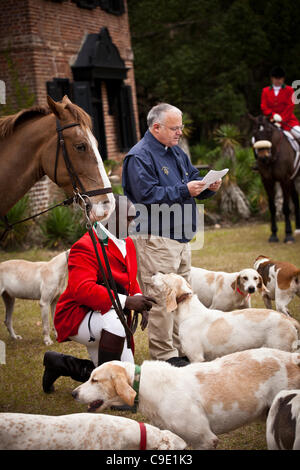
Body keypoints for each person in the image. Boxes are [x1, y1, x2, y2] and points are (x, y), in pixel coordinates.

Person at [122, 103, 222, 365]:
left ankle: (181, 351)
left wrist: (209, 186)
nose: (180, 132)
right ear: (156, 127)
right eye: (175, 128)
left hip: (181, 238)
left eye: (181, 127)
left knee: (181, 299)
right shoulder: (139, 157)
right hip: (156, 239)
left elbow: (192, 182)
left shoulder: (176, 152)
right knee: (160, 303)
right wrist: (183, 190)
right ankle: (165, 358)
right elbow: (146, 196)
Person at [42, 195, 155, 393]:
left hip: (106, 314)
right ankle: (106, 393)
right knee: (115, 322)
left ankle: (57, 363)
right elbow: (82, 290)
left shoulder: (127, 242)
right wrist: (127, 301)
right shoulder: (85, 246)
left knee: (126, 376)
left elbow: (130, 280)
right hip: (77, 315)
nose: (133, 223)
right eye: (129, 218)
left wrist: (140, 301)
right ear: (110, 217)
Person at [261, 66, 300, 140]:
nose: (278, 80)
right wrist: (273, 115)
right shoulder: (265, 91)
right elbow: (264, 107)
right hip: (270, 121)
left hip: (288, 121)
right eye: (276, 78)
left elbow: (290, 106)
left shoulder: (289, 90)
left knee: (299, 134)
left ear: (283, 79)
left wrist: (281, 120)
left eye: (280, 79)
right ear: (272, 78)